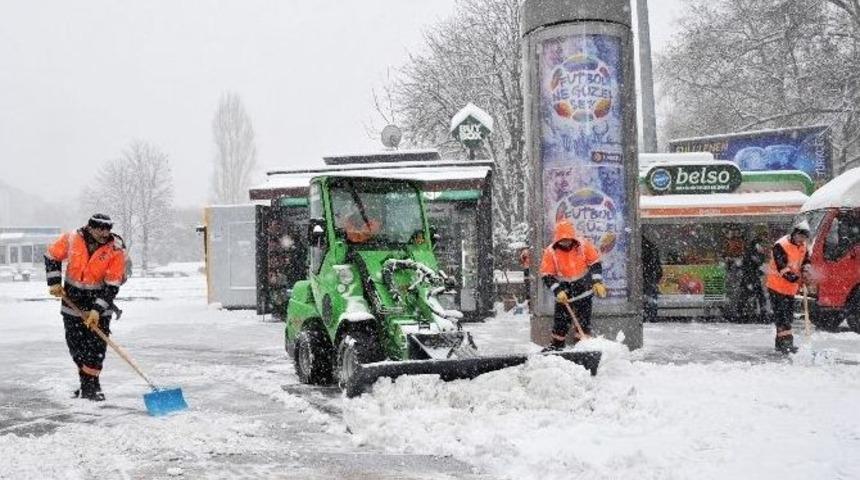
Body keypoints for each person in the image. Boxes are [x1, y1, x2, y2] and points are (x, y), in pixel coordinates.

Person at [45, 213, 127, 401]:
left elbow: (112, 284)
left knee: (96, 348)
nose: (104, 233)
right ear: (90, 227)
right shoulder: (72, 238)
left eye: (107, 229)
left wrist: (97, 310)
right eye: (100, 229)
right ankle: (86, 384)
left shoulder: (115, 249)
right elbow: (51, 255)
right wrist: (54, 281)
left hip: (99, 304)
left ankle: (92, 387)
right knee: (76, 347)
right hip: (72, 302)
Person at [539, 220, 606, 351]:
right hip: (564, 294)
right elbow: (546, 274)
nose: (566, 242)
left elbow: (595, 263)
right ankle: (557, 346)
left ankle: (581, 348)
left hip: (584, 291)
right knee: (560, 323)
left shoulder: (584, 245)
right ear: (557, 240)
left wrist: (597, 282)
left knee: (583, 322)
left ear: (573, 238)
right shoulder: (550, 252)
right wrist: (557, 290)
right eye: (563, 240)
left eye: (568, 239)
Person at [765, 220, 811, 354]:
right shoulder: (780, 245)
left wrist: (806, 270)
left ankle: (780, 344)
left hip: (790, 288)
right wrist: (797, 279)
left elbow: (806, 260)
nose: (802, 240)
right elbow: (782, 268)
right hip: (776, 286)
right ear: (794, 234)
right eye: (800, 237)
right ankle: (786, 344)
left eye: (804, 238)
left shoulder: (803, 245)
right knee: (782, 316)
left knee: (787, 316)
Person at [737, 225, 770, 322]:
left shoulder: (756, 245)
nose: (765, 237)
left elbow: (754, 260)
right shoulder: (755, 245)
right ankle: (745, 315)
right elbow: (752, 261)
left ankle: (743, 314)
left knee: (752, 295)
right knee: (752, 295)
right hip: (751, 275)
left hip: (751, 274)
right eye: (764, 235)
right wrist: (759, 264)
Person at [641, 234, 663, 323]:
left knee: (646, 295)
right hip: (651, 275)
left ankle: (646, 315)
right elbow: (657, 265)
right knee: (652, 296)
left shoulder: (642, 248)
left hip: (646, 275)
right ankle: (652, 315)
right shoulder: (652, 247)